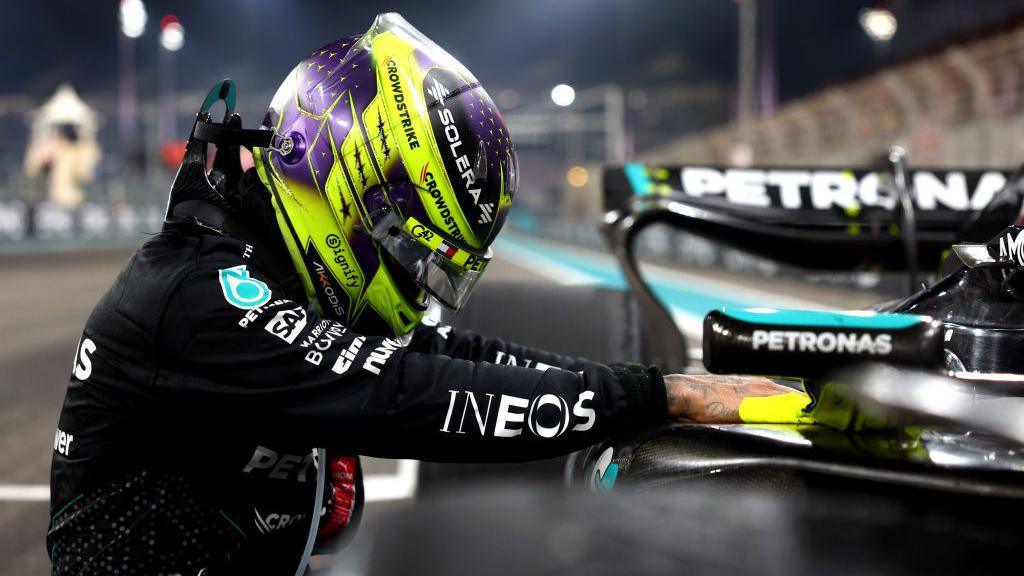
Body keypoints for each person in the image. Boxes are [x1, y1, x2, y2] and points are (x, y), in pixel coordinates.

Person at [48, 13, 798, 576]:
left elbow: (439, 353)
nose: (419, 285)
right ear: (350, 190)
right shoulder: (200, 297)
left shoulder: (267, 267)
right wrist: (651, 397)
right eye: (415, 251)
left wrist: (656, 389)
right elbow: (409, 393)